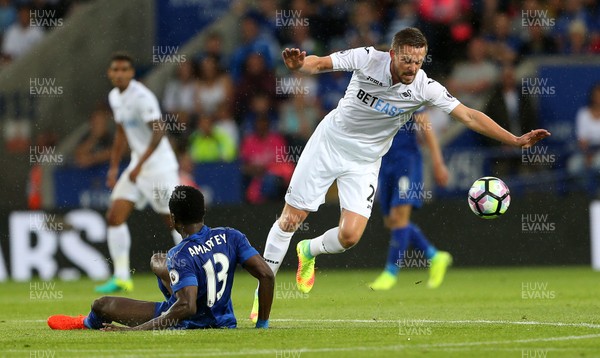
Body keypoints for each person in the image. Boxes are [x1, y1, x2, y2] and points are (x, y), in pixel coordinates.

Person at [249, 27, 550, 321]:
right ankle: (261, 298)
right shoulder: (367, 58)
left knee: (350, 236)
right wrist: (301, 65)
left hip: (366, 161)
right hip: (329, 144)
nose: (412, 67)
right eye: (407, 60)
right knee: (290, 219)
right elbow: (321, 62)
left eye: (418, 61)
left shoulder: (424, 87)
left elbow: (469, 114)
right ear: (392, 54)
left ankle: (309, 249)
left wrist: (514, 139)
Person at [47, 185, 274, 330]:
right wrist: (262, 325)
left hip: (186, 322)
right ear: (203, 212)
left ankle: (87, 323)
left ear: (174, 220)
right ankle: (161, 270)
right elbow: (266, 274)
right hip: (224, 320)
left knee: (101, 304)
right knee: (159, 261)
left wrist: (134, 332)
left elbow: (186, 307)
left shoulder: (180, 254)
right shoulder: (231, 236)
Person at [95, 53, 181, 294]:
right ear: (110, 73)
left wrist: (140, 164)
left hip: (159, 167)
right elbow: (121, 133)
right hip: (137, 167)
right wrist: (114, 167)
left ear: (132, 73)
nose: (120, 74)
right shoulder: (114, 97)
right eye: (116, 69)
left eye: (124, 69)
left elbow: (159, 131)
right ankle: (122, 277)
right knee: (114, 216)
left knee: (175, 223)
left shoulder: (142, 97)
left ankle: (192, 270)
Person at [369, 109, 451, 290]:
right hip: (384, 162)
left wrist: (437, 162)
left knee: (399, 216)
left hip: (406, 161)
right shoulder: (373, 89)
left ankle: (390, 273)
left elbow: (425, 124)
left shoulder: (408, 89)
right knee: (391, 220)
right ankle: (435, 256)